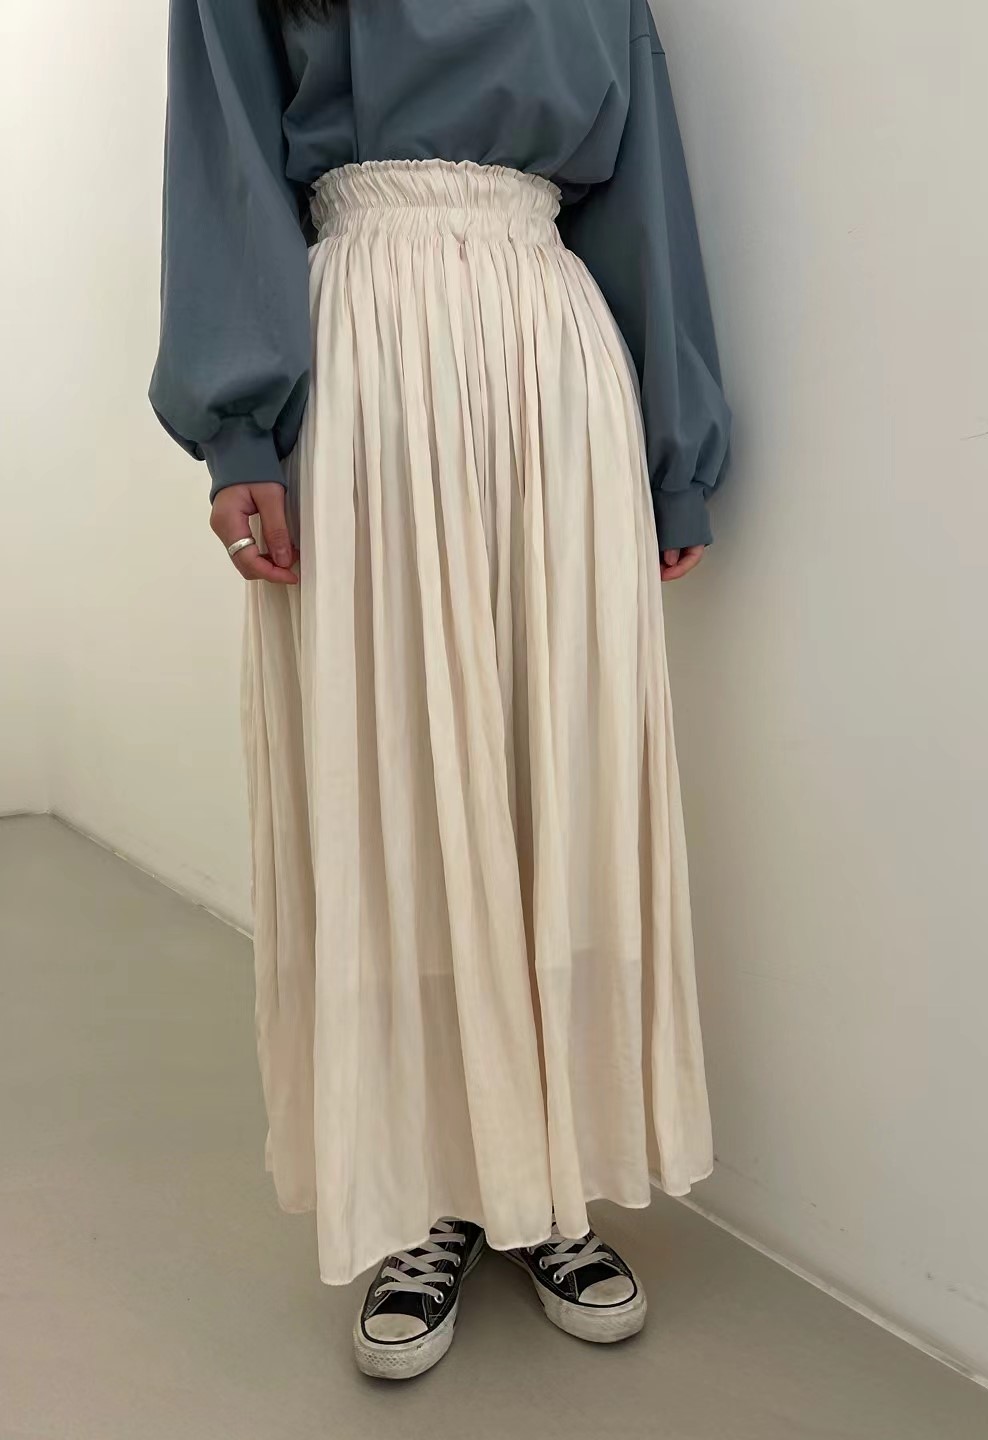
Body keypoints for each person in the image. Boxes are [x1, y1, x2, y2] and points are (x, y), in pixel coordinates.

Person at [150, 0, 732, 1381]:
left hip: (551, 351)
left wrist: (675, 447)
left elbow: (642, 181)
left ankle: (547, 1177)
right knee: (395, 782)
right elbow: (224, 145)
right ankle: (426, 1191)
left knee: (558, 776)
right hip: (366, 345)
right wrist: (241, 428)